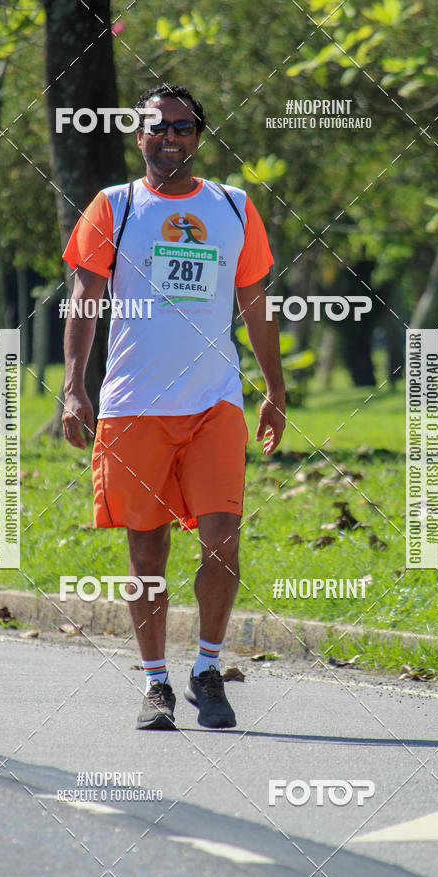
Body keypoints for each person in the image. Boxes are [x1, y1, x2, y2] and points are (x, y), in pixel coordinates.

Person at [61, 84, 285, 731]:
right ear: (139, 136)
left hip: (214, 401)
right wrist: (75, 386)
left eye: (183, 128)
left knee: (222, 541)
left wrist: (274, 389)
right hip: (134, 405)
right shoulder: (115, 207)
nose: (171, 138)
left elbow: (255, 302)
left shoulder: (234, 208)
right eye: (158, 127)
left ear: (198, 136)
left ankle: (206, 670)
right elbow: (85, 299)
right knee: (148, 551)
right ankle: (157, 682)